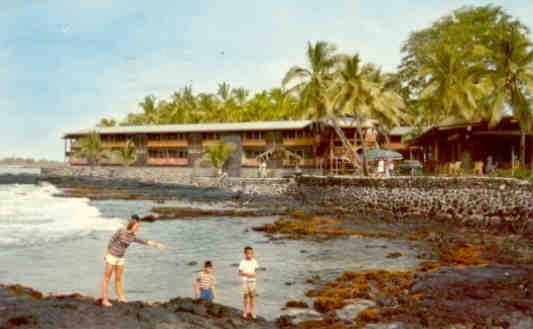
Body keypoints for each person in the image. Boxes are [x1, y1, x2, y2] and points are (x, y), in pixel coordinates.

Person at [100, 215, 166, 307]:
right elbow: (111, 241)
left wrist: (157, 245)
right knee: (107, 278)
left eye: (138, 227)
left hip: (120, 258)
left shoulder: (132, 237)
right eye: (137, 227)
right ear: (132, 225)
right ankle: (105, 300)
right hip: (111, 256)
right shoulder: (121, 231)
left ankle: (121, 298)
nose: (138, 228)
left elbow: (145, 241)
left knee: (118, 279)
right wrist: (106, 253)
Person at [238, 246, 259, 320]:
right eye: (248, 253)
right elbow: (239, 273)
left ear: (253, 254)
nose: (249, 255)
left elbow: (256, 271)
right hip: (245, 282)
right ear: (245, 254)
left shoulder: (255, 261)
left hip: (253, 282)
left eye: (251, 253)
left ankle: (252, 311)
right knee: (245, 296)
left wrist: (254, 274)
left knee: (252, 297)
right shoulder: (242, 262)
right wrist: (247, 274)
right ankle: (245, 311)